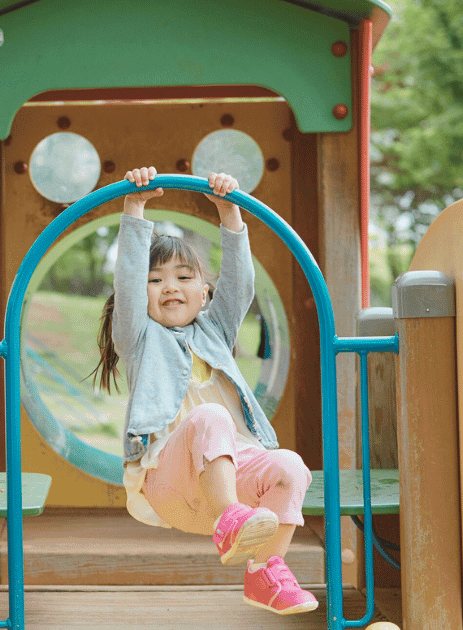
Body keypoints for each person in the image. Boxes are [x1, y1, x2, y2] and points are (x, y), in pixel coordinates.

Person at [93, 166, 316, 615]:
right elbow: (128, 284)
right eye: (155, 280)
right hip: (171, 485)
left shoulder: (216, 330)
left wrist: (229, 213)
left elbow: (241, 285)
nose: (169, 287)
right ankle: (230, 518)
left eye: (183, 277)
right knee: (210, 417)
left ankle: (264, 573)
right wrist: (134, 207)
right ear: (140, 295)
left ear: (205, 292)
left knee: (290, 465)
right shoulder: (138, 339)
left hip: (234, 487)